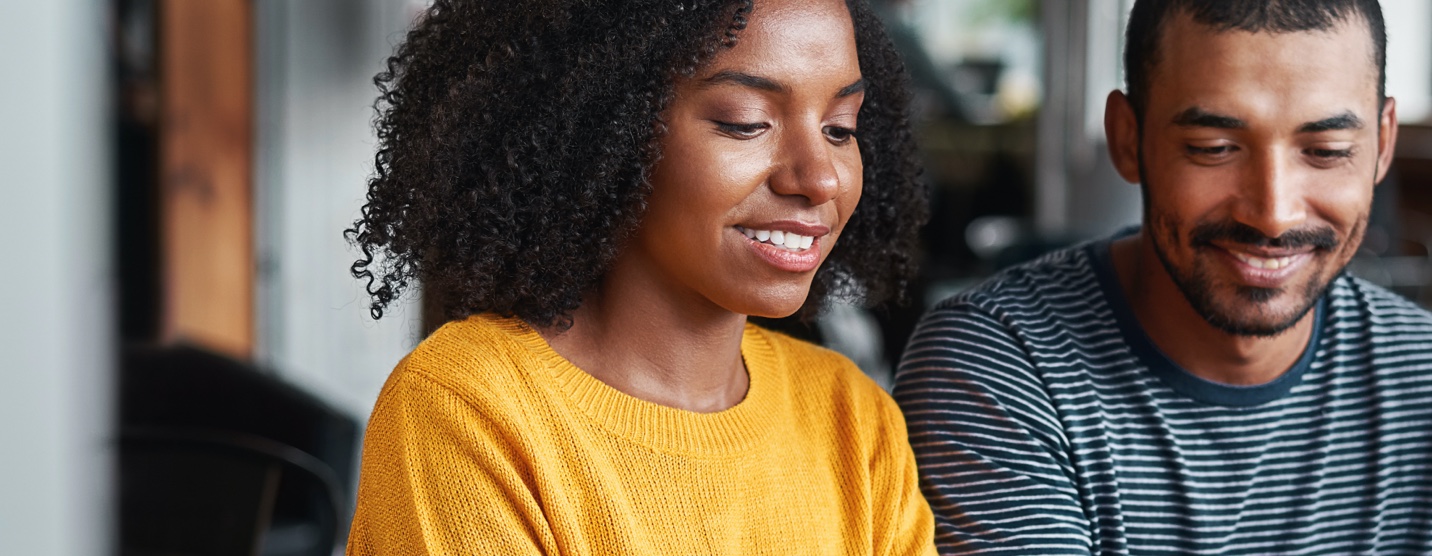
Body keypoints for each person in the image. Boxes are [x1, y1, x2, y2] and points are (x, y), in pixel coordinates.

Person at [343, 0, 937, 553]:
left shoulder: (854, 419)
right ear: (604, 129)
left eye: (840, 128)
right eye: (746, 121)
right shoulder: (470, 407)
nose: (821, 178)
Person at [894, 0, 1432, 553]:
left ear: (1383, 144)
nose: (1273, 212)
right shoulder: (999, 364)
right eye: (1213, 149)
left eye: (1326, 151)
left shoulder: (1421, 374)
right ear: (1129, 139)